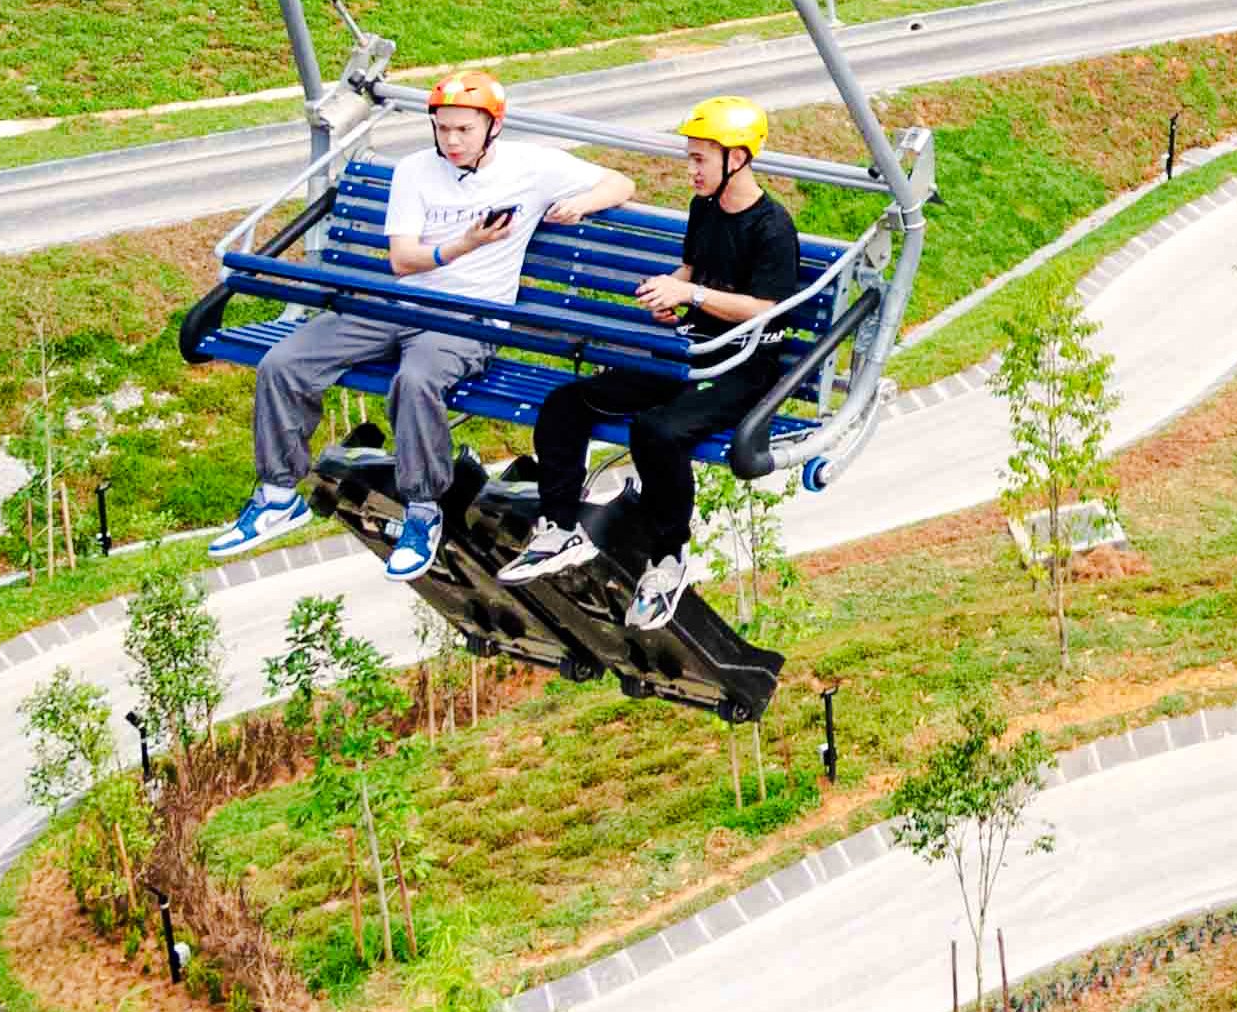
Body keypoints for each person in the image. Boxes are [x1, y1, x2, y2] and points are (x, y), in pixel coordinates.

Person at [218, 68, 604, 579]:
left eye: (464, 130)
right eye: (443, 129)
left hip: (471, 316)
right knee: (284, 362)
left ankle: (423, 509)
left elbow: (620, 181)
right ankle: (276, 494)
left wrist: (580, 203)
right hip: (401, 301)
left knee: (415, 382)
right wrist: (464, 244)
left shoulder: (531, 167)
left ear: (494, 127)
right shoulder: (416, 171)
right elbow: (402, 261)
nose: (452, 140)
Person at [500, 98, 812, 629]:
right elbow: (692, 268)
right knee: (566, 404)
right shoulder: (705, 208)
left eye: (699, 160)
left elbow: (765, 309)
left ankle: (668, 559)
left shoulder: (771, 227)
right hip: (687, 350)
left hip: (742, 365)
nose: (690, 169)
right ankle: (559, 526)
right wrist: (672, 296)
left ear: (736, 159)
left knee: (657, 432)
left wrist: (688, 292)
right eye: (690, 158)